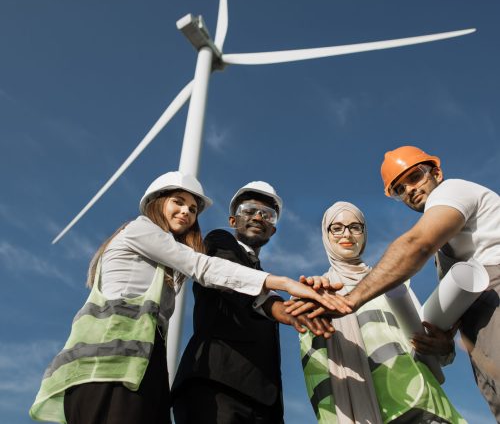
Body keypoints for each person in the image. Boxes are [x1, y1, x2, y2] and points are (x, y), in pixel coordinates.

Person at [30, 171, 349, 424]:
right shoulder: (139, 230)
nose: (186, 211)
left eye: (193, 208)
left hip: (145, 367)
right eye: (178, 202)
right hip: (107, 365)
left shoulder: (168, 263)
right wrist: (284, 284)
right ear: (157, 201)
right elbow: (206, 267)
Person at [291, 145, 500, 420]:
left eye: (415, 177)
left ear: (436, 171)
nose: (410, 190)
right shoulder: (319, 287)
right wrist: (444, 343)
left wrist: (350, 300)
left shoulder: (452, 191)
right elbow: (438, 331)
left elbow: (417, 244)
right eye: (400, 188)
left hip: (421, 398)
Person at [172, 181, 336, 424]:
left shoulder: (265, 278)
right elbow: (233, 281)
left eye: (267, 215)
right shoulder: (218, 243)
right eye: (249, 211)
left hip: (263, 402)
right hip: (216, 388)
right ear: (232, 221)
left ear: (273, 230)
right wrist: (282, 309)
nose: (258, 217)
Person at [299, 201, 465, 423]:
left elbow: (429, 344)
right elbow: (317, 361)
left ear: (364, 233)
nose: (346, 234)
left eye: (355, 227)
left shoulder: (394, 284)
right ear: (326, 234)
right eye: (337, 228)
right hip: (370, 408)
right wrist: (310, 298)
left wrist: (444, 347)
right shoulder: (318, 290)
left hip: (423, 400)